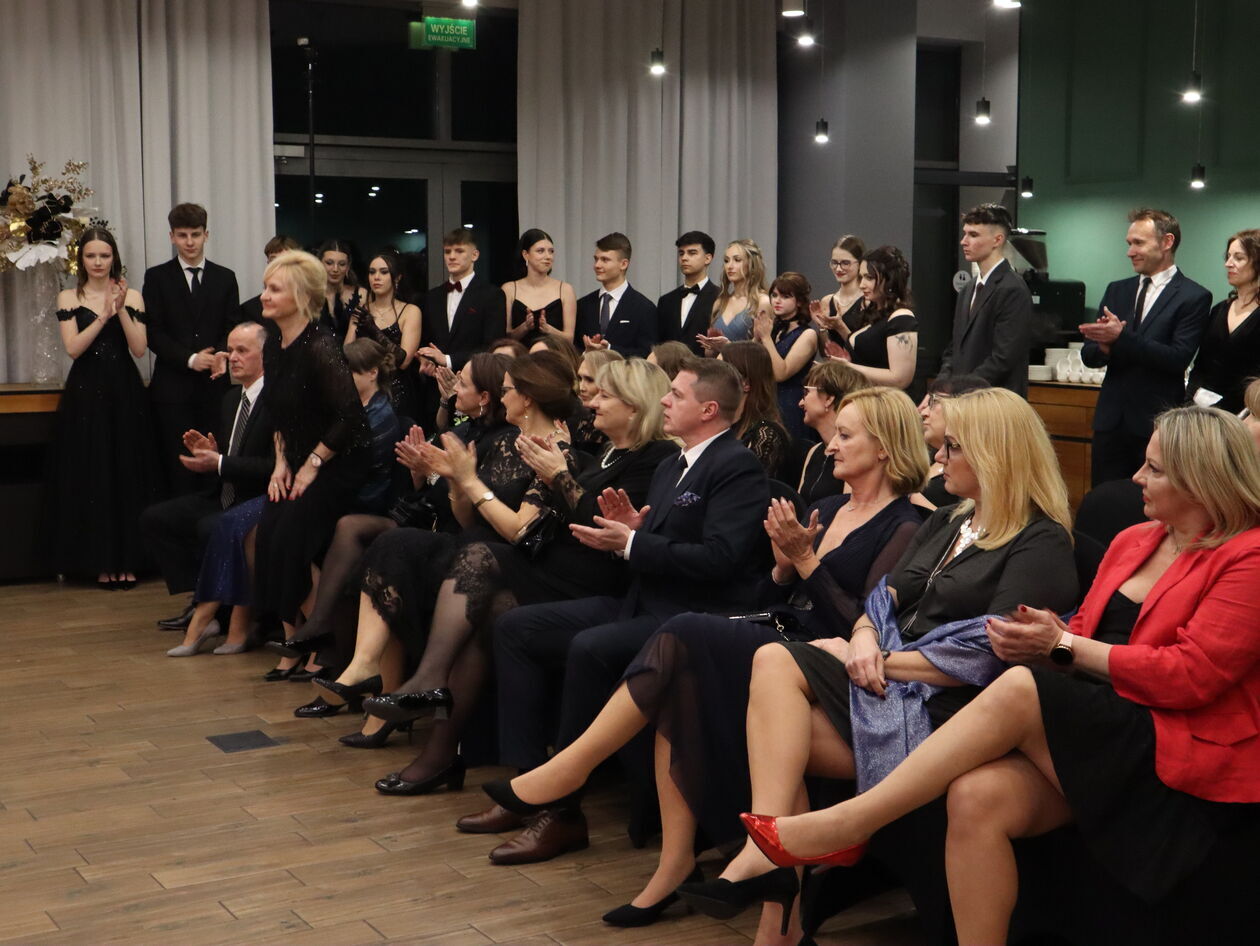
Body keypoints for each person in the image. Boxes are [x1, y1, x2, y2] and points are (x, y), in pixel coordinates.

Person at [740, 406, 1260, 946]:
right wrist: (1044, 639)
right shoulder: (1135, 539)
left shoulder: (1248, 556)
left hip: (1177, 738)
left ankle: (852, 823)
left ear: (1200, 480)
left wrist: (1061, 645)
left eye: (1153, 469)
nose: (1135, 477)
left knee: (1019, 685)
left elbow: (1190, 676)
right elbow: (1081, 633)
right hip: (1092, 719)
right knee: (976, 795)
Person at [468, 387, 929, 927]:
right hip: (777, 634)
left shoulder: (906, 525)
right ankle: (672, 864)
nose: (830, 447)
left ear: (885, 446)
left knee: (683, 632)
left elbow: (864, 626)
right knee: (676, 683)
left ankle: (572, 769)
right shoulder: (825, 508)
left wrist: (803, 562)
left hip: (821, 662)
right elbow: (771, 597)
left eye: (846, 436)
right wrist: (783, 569)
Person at [679, 386, 1079, 945]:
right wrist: (865, 635)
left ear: (994, 455)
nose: (939, 455)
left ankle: (770, 874)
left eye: (953, 447)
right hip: (887, 675)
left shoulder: (1041, 540)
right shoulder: (950, 519)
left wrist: (880, 659)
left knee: (777, 713)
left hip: (952, 706)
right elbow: (884, 596)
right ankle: (772, 875)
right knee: (775, 682)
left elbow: (991, 654)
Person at [464, 358, 769, 866]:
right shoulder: (674, 464)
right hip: (642, 602)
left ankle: (563, 811)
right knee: (518, 627)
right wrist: (633, 532)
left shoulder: (736, 466)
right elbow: (659, 543)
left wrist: (633, 543)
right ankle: (527, 783)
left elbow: (721, 559)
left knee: (590, 647)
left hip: (691, 617)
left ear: (708, 409)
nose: (665, 399)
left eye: (677, 394)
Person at [364, 359, 678, 776]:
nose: (591, 402)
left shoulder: (656, 457)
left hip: (592, 579)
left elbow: (594, 520)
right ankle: (452, 753)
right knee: (488, 609)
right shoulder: (606, 452)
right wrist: (464, 479)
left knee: (478, 555)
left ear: (634, 407)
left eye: (604, 395)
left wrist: (557, 476)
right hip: (554, 563)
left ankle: (431, 686)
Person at [300, 351, 580, 722]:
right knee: (393, 542)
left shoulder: (556, 452)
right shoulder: (508, 441)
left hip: (508, 560)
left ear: (527, 399)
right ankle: (363, 665)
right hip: (474, 542)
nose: (503, 397)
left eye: (508, 390)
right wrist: (455, 481)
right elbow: (467, 518)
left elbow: (519, 531)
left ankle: (417, 682)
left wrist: (468, 479)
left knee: (417, 551)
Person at [265, 352, 514, 678]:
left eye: (463, 384)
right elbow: (429, 489)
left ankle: (335, 650)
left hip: (451, 531)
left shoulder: (498, 440)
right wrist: (421, 473)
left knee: (367, 549)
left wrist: (443, 475)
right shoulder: (466, 429)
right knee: (346, 527)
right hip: (425, 516)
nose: (454, 389)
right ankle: (322, 627)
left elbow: (469, 510)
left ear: (484, 397)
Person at [253, 250, 371, 648]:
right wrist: (281, 462)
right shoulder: (273, 345)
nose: (264, 296)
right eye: (265, 287)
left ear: (301, 297)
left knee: (289, 538)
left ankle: (324, 641)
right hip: (298, 457)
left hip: (341, 461)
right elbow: (279, 413)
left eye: (274, 289)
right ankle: (295, 641)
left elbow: (350, 418)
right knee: (267, 535)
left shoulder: (322, 345)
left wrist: (313, 464)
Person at [140, 322, 274, 629]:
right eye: (230, 350)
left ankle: (217, 610)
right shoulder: (231, 399)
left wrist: (221, 462)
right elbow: (232, 454)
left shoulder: (275, 401)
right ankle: (203, 599)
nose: (233, 358)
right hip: (224, 494)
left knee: (208, 526)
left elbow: (272, 467)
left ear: (266, 355)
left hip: (256, 500)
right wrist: (212, 452)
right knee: (156, 519)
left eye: (242, 351)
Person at [51, 228, 156, 588]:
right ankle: (100, 560)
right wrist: (102, 315)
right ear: (81, 260)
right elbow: (73, 349)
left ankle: (129, 559)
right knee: (93, 472)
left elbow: (139, 349)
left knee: (126, 470)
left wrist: (121, 307)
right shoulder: (69, 296)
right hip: (85, 392)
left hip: (123, 390)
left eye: (104, 256)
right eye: (91, 256)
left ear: (115, 258)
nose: (98, 262)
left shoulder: (133, 295)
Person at [1081, 208, 1212, 485]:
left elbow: (1178, 358)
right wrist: (1104, 347)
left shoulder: (1193, 296)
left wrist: (1120, 338)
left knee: (1150, 504)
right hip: (1110, 422)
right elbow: (1088, 354)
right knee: (1103, 500)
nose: (1130, 252)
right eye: (1129, 243)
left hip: (1156, 424)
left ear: (1167, 242)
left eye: (1138, 243)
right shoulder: (1117, 290)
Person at [142, 203, 241, 496]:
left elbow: (232, 326)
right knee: (176, 464)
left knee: (214, 459)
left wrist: (221, 354)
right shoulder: (157, 277)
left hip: (215, 387)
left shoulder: (225, 277)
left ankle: (213, 518)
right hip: (172, 388)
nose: (189, 242)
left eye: (195, 235)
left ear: (206, 235)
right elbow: (152, 331)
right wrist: (190, 358)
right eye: (182, 235)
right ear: (171, 236)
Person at [938, 203, 1032, 398]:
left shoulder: (1013, 289)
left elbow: (1003, 359)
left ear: (997, 240)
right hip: (964, 400)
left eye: (973, 235)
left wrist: (956, 389)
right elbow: (955, 348)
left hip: (995, 403)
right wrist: (941, 386)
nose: (963, 241)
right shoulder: (968, 289)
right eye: (965, 234)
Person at [416, 229, 506, 430]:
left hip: (475, 390)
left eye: (459, 251)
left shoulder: (492, 295)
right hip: (434, 391)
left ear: (475, 255)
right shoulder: (431, 297)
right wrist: (425, 360)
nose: (452, 256)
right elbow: (425, 341)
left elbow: (492, 346)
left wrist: (447, 359)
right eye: (447, 251)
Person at [1186, 229, 1260, 414]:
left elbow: (1254, 376)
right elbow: (1201, 363)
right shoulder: (1219, 309)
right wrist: (1191, 397)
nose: (1228, 264)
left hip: (1242, 413)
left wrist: (1221, 408)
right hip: (1200, 409)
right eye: (1228, 257)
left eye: (1239, 258)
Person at [345, 249, 422, 420]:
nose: (376, 277)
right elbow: (347, 354)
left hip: (398, 393)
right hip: (364, 390)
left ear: (397, 278)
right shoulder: (361, 310)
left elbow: (404, 361)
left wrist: (372, 329)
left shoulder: (410, 311)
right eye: (372, 272)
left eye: (383, 272)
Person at [836, 246, 917, 391]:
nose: (862, 285)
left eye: (869, 277)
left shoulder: (901, 318)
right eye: (861, 277)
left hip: (883, 402)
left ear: (889, 279)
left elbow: (900, 379)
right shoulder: (871, 315)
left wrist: (848, 367)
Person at [756, 272, 819, 439]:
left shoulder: (807, 334)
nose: (777, 301)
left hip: (790, 405)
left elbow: (781, 373)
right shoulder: (773, 328)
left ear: (799, 301)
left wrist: (766, 338)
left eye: (785, 296)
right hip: (766, 402)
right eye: (774, 295)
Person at [574, 232, 658, 358]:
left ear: (623, 264)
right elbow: (574, 347)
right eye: (596, 259)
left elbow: (647, 353)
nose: (597, 265)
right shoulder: (583, 305)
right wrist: (587, 352)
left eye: (605, 260)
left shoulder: (644, 308)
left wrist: (609, 349)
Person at [343, 338, 402, 515]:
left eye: (350, 372)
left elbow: (354, 468)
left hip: (363, 500)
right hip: (347, 489)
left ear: (372, 373)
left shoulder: (380, 417)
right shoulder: (352, 402)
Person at [797, 361, 868, 505]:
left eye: (806, 393)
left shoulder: (854, 452)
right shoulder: (814, 451)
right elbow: (801, 506)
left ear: (829, 398)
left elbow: (851, 510)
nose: (800, 403)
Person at [721, 341, 793, 481]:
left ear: (745, 383)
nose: (711, 380)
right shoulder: (724, 425)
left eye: (720, 372)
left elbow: (748, 487)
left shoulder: (765, 434)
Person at [917, 374, 991, 509]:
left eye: (934, 402)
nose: (924, 413)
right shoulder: (927, 457)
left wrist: (910, 496)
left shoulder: (973, 467)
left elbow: (967, 516)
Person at [504, 228, 577, 344]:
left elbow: (569, 339)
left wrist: (549, 330)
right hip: (520, 354)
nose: (548, 256)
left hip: (554, 353)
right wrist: (524, 327)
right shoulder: (509, 289)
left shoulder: (565, 290)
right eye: (540, 251)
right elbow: (504, 337)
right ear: (525, 254)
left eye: (551, 251)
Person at [697, 239, 769, 356]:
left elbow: (764, 353)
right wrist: (711, 346)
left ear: (752, 264)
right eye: (726, 261)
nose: (729, 266)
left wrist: (728, 347)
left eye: (737, 260)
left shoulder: (762, 302)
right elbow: (709, 355)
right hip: (718, 366)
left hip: (747, 367)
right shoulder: (720, 302)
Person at [657, 231, 720, 355]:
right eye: (681, 253)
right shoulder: (666, 301)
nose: (684, 258)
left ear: (708, 258)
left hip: (706, 365)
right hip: (669, 366)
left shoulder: (720, 297)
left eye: (692, 253)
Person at [810, 234, 866, 358]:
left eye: (845, 263)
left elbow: (866, 352)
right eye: (834, 263)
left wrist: (841, 327)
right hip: (835, 369)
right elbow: (826, 354)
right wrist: (822, 327)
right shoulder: (827, 301)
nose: (838, 269)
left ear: (860, 263)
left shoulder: (868, 300)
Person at [240, 236, 301, 322]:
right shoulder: (249, 310)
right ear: (268, 264)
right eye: (274, 260)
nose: (279, 265)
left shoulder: (311, 305)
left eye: (286, 261)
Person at [316, 238, 360, 341]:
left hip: (351, 350)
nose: (335, 269)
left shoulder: (361, 294)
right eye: (329, 263)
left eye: (342, 264)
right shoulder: (308, 294)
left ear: (348, 267)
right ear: (320, 264)